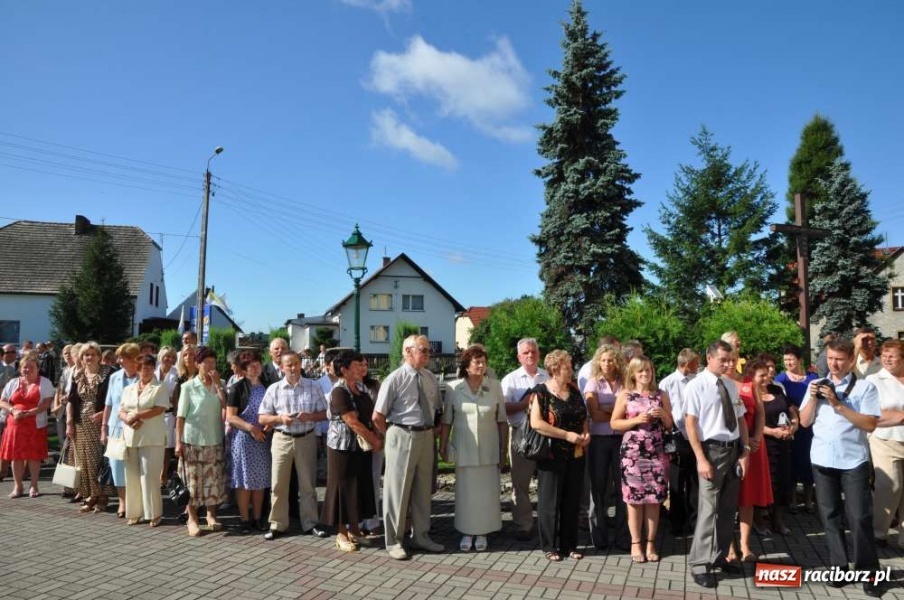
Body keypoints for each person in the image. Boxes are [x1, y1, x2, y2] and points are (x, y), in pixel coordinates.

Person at [799, 338, 884, 597]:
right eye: (830, 358)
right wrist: (813, 399)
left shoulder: (865, 388)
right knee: (830, 517)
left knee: (859, 517)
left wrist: (837, 404)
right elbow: (804, 422)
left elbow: (869, 424)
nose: (833, 364)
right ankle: (839, 567)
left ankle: (869, 571)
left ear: (849, 361)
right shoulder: (815, 384)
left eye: (839, 359)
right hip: (822, 460)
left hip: (852, 461)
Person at [685, 340, 750, 589]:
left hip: (733, 450)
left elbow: (740, 419)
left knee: (727, 509)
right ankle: (699, 563)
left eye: (730, 359)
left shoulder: (731, 385)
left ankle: (721, 556)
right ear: (708, 357)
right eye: (722, 359)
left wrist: (744, 452)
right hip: (711, 451)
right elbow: (691, 424)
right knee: (708, 510)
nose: (727, 363)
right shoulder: (697, 386)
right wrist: (701, 458)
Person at [373, 335, 444, 560]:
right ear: (407, 351)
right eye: (423, 350)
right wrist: (392, 436)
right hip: (401, 434)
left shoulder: (431, 377)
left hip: (425, 436)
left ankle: (421, 536)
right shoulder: (394, 379)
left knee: (423, 490)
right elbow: (378, 416)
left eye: (428, 350)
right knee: (398, 490)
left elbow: (437, 409)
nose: (427, 354)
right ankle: (393, 540)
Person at [440, 345, 507, 552]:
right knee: (466, 494)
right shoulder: (453, 388)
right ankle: (467, 532)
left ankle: (483, 532)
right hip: (464, 449)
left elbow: (502, 421)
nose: (481, 366)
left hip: (489, 450)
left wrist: (503, 451)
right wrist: (443, 445)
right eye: (477, 362)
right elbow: (446, 421)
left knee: (486, 494)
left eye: (483, 362)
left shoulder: (495, 386)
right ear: (467, 366)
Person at [258, 350, 328, 540]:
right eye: (289, 365)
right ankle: (277, 524)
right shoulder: (274, 389)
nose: (293, 368)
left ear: (301, 365)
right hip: (281, 438)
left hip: (306, 438)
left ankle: (310, 523)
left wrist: (311, 416)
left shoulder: (313, 386)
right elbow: (262, 417)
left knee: (308, 485)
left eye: (296, 363)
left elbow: (326, 413)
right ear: (281, 368)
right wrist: (279, 418)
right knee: (278, 484)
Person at [610, 355, 673, 563]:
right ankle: (635, 543)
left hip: (657, 452)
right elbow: (614, 424)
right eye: (640, 371)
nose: (645, 374)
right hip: (633, 454)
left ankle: (651, 543)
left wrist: (663, 414)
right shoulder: (626, 395)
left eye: (648, 370)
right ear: (633, 374)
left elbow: (670, 425)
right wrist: (637, 419)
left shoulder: (661, 394)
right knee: (634, 501)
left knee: (654, 500)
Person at [528, 350, 589, 562]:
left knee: (572, 501)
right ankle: (549, 545)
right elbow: (536, 423)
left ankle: (569, 544)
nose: (571, 370)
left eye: (571, 366)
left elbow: (583, 416)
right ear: (555, 369)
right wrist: (566, 435)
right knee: (550, 502)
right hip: (552, 454)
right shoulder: (541, 392)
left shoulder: (574, 390)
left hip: (576, 453)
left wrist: (585, 432)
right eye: (567, 367)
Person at [321, 350, 383, 552]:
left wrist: (377, 435)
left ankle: (355, 530)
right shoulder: (339, 391)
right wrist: (374, 440)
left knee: (358, 487)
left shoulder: (360, 388)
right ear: (344, 369)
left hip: (360, 448)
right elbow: (352, 421)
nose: (361, 369)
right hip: (342, 449)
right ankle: (341, 533)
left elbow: (368, 416)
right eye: (356, 365)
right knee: (343, 489)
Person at [500, 338, 549, 541]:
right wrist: (524, 404)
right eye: (526, 353)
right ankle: (523, 525)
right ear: (519, 357)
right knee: (520, 483)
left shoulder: (547, 376)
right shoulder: (510, 379)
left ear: (538, 354)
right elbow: (502, 409)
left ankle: (548, 523)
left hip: (546, 434)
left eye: (533, 352)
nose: (530, 355)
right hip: (521, 434)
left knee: (548, 482)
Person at [175, 346, 227, 537]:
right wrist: (178, 442)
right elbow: (180, 417)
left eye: (213, 362)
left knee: (213, 479)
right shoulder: (188, 386)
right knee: (193, 482)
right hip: (193, 439)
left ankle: (211, 515)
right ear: (197, 364)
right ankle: (192, 519)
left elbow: (226, 406)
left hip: (214, 438)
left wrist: (218, 386)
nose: (211, 365)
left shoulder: (220, 383)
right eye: (207, 362)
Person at [582, 343, 627, 550]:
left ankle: (622, 536)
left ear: (617, 361)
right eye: (603, 360)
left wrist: (607, 409)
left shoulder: (624, 383)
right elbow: (594, 414)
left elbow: (630, 413)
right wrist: (616, 412)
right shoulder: (592, 383)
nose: (607, 363)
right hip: (599, 441)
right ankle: (598, 537)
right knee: (598, 489)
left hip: (621, 440)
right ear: (598, 362)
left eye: (611, 359)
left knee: (622, 490)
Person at [730, 358, 772, 563]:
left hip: (753, 446)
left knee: (747, 498)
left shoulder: (749, 383)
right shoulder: (717, 383)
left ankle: (745, 545)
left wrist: (757, 437)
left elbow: (760, 413)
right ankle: (729, 547)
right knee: (728, 498)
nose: (729, 362)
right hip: (729, 446)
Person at [119, 355, 169, 527]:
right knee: (131, 475)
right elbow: (121, 410)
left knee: (149, 476)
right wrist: (128, 419)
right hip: (131, 436)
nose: (145, 370)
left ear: (153, 368)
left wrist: (137, 415)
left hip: (152, 438)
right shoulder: (129, 389)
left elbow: (159, 409)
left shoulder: (160, 387)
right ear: (137, 369)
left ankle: (154, 513)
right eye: (141, 367)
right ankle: (134, 512)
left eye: (149, 367)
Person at [226, 350, 272, 533]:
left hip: (263, 438)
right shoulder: (237, 388)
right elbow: (231, 417)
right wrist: (251, 428)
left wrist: (268, 426)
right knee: (244, 480)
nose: (255, 368)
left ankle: (258, 518)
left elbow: (273, 411)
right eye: (250, 366)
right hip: (244, 439)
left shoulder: (268, 386)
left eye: (257, 364)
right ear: (244, 369)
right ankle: (245, 519)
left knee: (260, 480)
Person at [67, 342, 115, 513]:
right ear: (81, 357)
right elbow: (72, 400)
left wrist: (103, 414)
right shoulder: (78, 374)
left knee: (98, 460)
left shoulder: (108, 373)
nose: (89, 357)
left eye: (93, 354)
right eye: (86, 354)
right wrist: (69, 422)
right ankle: (91, 494)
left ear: (99, 356)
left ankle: (102, 495)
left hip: (100, 423)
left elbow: (115, 399)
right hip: (81, 424)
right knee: (84, 461)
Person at [0, 354, 54, 498]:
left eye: (31, 367)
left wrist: (29, 412)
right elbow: (3, 401)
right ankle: (18, 486)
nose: (27, 369)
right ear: (20, 369)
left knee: (33, 456)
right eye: (25, 367)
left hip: (34, 425)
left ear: (38, 368)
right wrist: (13, 410)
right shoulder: (12, 383)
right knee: (16, 457)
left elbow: (46, 403)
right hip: (14, 426)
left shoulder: (45, 382)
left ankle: (34, 486)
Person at [659, 348, 699, 535]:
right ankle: (676, 523)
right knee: (676, 483)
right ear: (687, 365)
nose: (698, 367)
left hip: (696, 437)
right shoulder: (667, 383)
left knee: (695, 482)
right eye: (696, 364)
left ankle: (694, 521)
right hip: (676, 437)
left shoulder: (697, 381)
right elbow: (664, 412)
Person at [868, 340, 904, 548]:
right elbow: (871, 413)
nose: (887, 359)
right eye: (884, 354)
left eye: (892, 355)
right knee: (890, 486)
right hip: (885, 438)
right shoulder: (874, 380)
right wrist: (900, 417)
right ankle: (878, 532)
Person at [774, 344, 817, 513]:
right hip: (791, 427)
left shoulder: (812, 378)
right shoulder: (780, 380)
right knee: (792, 463)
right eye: (785, 360)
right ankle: (791, 499)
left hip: (810, 427)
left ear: (800, 360)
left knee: (808, 462)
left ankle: (808, 499)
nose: (788, 362)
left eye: (791, 359)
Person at [758, 354, 798, 535]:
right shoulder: (751, 391)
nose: (769, 373)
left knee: (783, 480)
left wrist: (794, 426)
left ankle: (779, 519)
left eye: (771, 369)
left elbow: (791, 412)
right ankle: (762, 519)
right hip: (763, 444)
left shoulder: (777, 389)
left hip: (783, 443)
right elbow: (751, 422)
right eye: (765, 370)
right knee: (767, 482)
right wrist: (771, 431)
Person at [103, 343, 141, 519]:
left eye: (122, 358)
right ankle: (123, 502)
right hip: (116, 428)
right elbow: (109, 404)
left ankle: (137, 502)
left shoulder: (144, 377)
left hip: (137, 427)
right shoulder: (114, 377)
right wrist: (104, 428)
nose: (118, 361)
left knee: (134, 466)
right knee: (117, 466)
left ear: (133, 359)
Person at [155, 346, 179, 486]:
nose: (168, 359)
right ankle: (154, 472)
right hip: (153, 414)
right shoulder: (153, 371)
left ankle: (163, 474)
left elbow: (175, 396)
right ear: (161, 357)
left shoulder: (176, 373)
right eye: (166, 356)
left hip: (168, 414)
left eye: (171, 357)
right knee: (155, 445)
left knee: (167, 447)